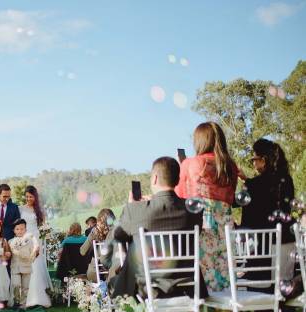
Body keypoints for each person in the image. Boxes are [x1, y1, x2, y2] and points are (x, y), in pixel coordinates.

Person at [110, 157, 207, 299]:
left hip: (149, 285)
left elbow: (118, 235)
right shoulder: (193, 210)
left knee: (125, 269)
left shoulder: (135, 210)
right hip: (188, 283)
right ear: (177, 179)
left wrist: (131, 206)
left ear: (155, 178)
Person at [175, 122, 239, 292]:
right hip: (226, 229)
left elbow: (179, 195)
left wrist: (182, 168)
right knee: (225, 278)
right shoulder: (231, 166)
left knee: (204, 281)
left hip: (203, 228)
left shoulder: (190, 163)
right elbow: (231, 197)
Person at [240, 139, 296, 285]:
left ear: (263, 160)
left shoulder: (253, 186)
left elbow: (248, 221)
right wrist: (248, 181)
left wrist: (247, 183)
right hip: (286, 257)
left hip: (264, 263)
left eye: (254, 159)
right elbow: (269, 192)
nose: (253, 163)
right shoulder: (287, 180)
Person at [20, 185, 52, 308]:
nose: (28, 199)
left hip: (35, 238)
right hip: (24, 238)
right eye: (27, 196)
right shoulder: (20, 208)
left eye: (31, 196)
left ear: (35, 197)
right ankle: (25, 298)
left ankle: (38, 297)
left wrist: (44, 234)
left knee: (36, 265)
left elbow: (44, 227)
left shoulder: (39, 211)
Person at [9, 219, 38, 311]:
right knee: (16, 284)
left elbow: (34, 253)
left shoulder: (30, 241)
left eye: (22, 229)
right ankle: (16, 301)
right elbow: (11, 252)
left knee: (25, 287)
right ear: (14, 230)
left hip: (26, 267)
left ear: (25, 229)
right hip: (15, 267)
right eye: (17, 229)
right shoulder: (11, 241)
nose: (20, 231)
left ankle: (23, 305)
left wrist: (32, 257)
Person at [80, 208, 116, 283]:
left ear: (99, 220)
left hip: (95, 273)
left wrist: (92, 236)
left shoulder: (94, 231)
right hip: (114, 271)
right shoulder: (117, 230)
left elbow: (82, 251)